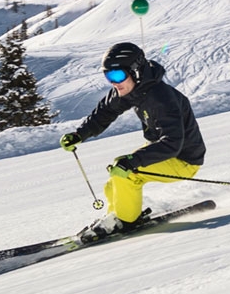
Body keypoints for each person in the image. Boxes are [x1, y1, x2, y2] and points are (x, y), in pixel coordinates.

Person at [59, 42, 206, 238]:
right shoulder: (132, 88)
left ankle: (126, 221)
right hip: (161, 150)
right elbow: (106, 111)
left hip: (183, 159)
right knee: (113, 181)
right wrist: (80, 135)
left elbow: (172, 142)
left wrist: (134, 161)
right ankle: (114, 217)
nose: (114, 82)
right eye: (108, 76)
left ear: (136, 72)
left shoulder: (161, 98)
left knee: (127, 172)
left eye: (117, 75)